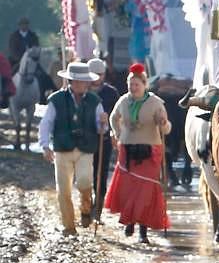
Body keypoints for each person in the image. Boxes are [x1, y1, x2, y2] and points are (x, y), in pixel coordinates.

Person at [38, 61, 108, 236]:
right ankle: (69, 226)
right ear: (71, 82)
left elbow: (102, 129)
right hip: (62, 149)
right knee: (64, 190)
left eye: (85, 82)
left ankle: (86, 208)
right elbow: (46, 123)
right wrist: (45, 146)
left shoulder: (95, 101)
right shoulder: (56, 100)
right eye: (78, 81)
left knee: (85, 182)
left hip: (85, 148)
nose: (82, 85)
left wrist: (103, 123)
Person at [104, 63, 171, 244]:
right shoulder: (124, 101)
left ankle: (143, 230)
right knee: (128, 189)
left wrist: (162, 122)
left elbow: (167, 129)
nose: (133, 88)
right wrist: (117, 134)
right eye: (130, 85)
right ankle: (130, 220)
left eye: (136, 85)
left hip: (150, 150)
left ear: (144, 85)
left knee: (145, 191)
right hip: (127, 148)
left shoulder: (156, 103)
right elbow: (113, 117)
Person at [86, 57, 120, 223]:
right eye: (94, 74)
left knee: (101, 173)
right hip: (85, 139)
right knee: (86, 174)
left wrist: (115, 133)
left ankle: (98, 209)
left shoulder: (111, 93)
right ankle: (86, 205)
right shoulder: (83, 90)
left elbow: (117, 116)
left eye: (100, 74)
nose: (97, 77)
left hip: (104, 139)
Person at [8, 17, 53, 95]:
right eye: (22, 24)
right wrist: (22, 59)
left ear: (28, 25)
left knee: (43, 74)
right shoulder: (13, 36)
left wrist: (33, 57)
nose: (24, 26)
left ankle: (45, 92)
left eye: (26, 24)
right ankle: (8, 94)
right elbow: (12, 51)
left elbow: (37, 48)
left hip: (32, 60)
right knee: (9, 74)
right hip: (17, 61)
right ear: (19, 26)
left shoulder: (33, 35)